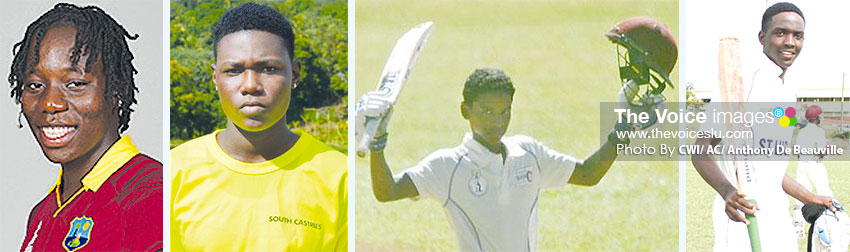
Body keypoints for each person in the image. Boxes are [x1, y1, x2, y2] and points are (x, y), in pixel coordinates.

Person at [357, 68, 630, 251]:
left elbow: (588, 174)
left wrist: (624, 127)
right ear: (465, 110)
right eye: (487, 111)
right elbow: (387, 191)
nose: (497, 121)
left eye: (504, 111)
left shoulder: (529, 153)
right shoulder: (447, 166)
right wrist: (377, 143)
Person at [170, 2, 347, 251]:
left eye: (269, 69)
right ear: (215, 78)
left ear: (295, 74)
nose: (251, 85)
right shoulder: (173, 173)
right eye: (234, 71)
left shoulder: (339, 177)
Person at [7, 3, 162, 251]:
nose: (50, 103)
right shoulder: (42, 212)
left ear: (117, 90)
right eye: (35, 85)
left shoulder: (151, 196)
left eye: (75, 84)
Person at [692, 2, 839, 251]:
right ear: (762, 37)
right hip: (741, 218)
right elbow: (700, 150)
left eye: (797, 35)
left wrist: (811, 197)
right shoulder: (741, 79)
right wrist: (728, 192)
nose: (790, 42)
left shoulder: (789, 90)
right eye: (780, 33)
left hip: (778, 219)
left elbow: (771, 169)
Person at [792, 105, 834, 236]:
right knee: (825, 193)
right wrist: (827, 148)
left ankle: (798, 228)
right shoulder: (818, 131)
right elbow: (821, 151)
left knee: (800, 196)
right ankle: (830, 223)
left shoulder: (802, 132)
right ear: (817, 118)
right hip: (815, 165)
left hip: (802, 165)